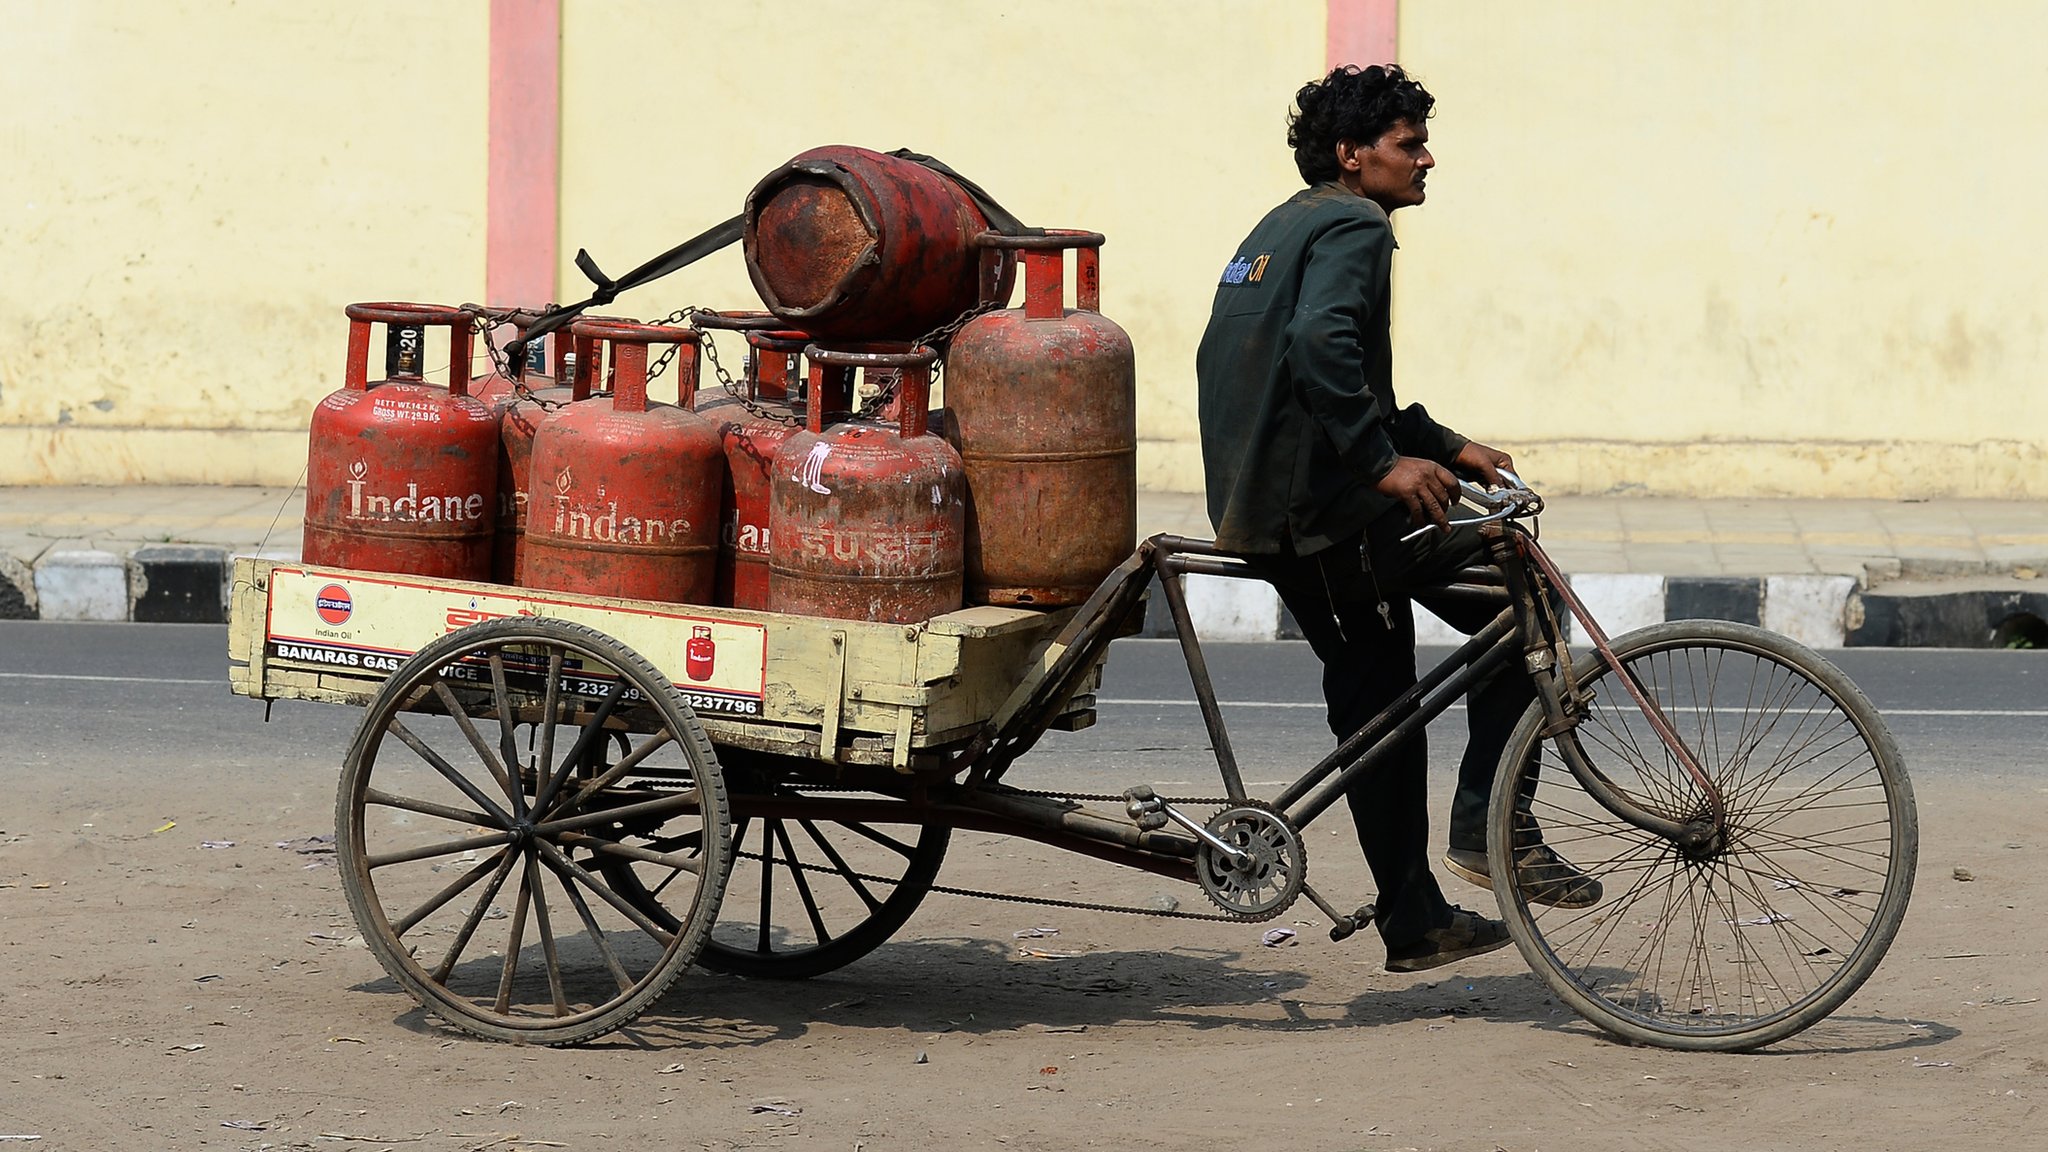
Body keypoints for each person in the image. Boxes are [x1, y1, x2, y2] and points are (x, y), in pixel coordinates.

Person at [1195, 63, 1598, 973]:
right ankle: (1485, 827)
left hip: (1283, 502)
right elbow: (1318, 345)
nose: (1426, 160)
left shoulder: (1284, 224)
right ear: (1352, 156)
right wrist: (1383, 465)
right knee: (1516, 587)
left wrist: (1443, 444)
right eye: (1408, 145)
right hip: (1319, 519)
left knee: (1382, 701)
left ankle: (1419, 918)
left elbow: (1348, 379)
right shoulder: (1352, 224)